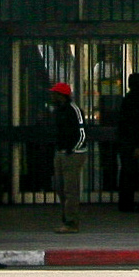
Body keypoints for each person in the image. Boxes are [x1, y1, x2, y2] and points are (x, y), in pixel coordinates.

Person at [49, 82, 87, 233]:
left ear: (61, 95)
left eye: (55, 94)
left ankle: (72, 222)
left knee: (70, 189)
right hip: (61, 152)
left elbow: (82, 132)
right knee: (60, 187)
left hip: (73, 154)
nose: (52, 96)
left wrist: (72, 149)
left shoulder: (74, 110)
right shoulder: (58, 111)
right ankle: (67, 219)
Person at [114, 71, 139, 212]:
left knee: (127, 172)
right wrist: (136, 145)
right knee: (129, 173)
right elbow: (135, 125)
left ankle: (126, 203)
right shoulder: (136, 101)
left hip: (125, 142)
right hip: (130, 143)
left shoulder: (129, 99)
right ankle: (127, 204)